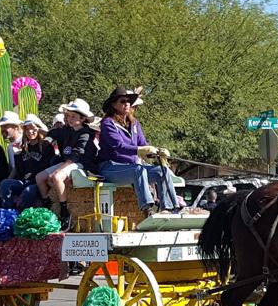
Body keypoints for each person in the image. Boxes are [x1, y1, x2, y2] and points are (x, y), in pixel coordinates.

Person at [97, 87, 179, 217]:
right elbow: (118, 146)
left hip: (132, 167)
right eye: (123, 101)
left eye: (129, 101)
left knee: (162, 170)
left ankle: (168, 209)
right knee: (138, 170)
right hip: (110, 167)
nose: (127, 104)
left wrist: (157, 152)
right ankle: (147, 210)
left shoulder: (135, 124)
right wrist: (140, 150)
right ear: (113, 105)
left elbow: (143, 145)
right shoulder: (107, 123)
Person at [37, 100, 100, 230]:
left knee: (57, 177)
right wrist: (42, 134)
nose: (69, 119)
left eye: (73, 116)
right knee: (39, 177)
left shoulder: (86, 134)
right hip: (69, 161)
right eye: (68, 116)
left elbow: (76, 156)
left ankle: (64, 212)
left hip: (82, 164)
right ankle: (48, 207)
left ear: (83, 119)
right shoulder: (66, 130)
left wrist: (59, 169)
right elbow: (53, 133)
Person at [1, 115, 55, 210]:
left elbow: (46, 167)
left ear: (39, 129)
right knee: (5, 183)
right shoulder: (24, 147)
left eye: (33, 129)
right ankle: (7, 212)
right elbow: (20, 171)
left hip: (38, 183)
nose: (30, 132)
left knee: (28, 191)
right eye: (27, 129)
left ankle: (20, 214)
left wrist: (29, 178)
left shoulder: (46, 146)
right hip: (24, 181)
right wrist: (17, 155)